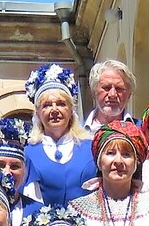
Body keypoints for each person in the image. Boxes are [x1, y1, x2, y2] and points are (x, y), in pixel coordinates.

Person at [23, 63, 97, 207]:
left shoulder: (91, 148)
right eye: (47, 105)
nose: (54, 110)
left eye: (61, 104)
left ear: (70, 110)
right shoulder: (27, 152)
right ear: (37, 112)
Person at [85, 58, 137, 131]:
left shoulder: (143, 132)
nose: (112, 94)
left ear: (129, 95)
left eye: (119, 88)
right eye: (106, 88)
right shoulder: (75, 136)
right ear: (93, 92)